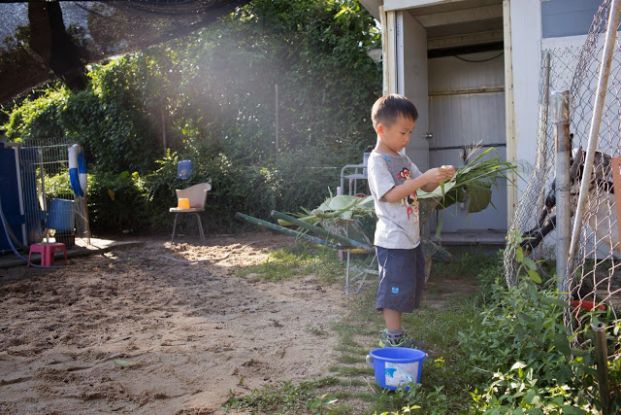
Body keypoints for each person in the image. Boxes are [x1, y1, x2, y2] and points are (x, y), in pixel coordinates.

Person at [367, 94, 455, 348]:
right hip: (392, 240)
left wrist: (439, 176)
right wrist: (421, 179)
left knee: (406, 286)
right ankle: (392, 337)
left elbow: (424, 186)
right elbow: (392, 194)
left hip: (409, 238)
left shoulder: (403, 159)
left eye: (410, 133)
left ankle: (397, 334)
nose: (407, 139)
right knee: (393, 290)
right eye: (403, 133)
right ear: (381, 129)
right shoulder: (377, 162)